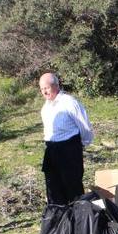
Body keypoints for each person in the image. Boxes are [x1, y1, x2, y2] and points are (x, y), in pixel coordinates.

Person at [38, 72, 93, 205]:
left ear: (56, 86)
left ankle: (78, 219)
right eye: (42, 89)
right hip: (51, 150)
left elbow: (84, 126)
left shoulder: (69, 102)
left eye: (47, 88)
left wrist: (81, 145)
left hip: (69, 149)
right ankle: (60, 221)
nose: (44, 92)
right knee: (53, 189)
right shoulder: (45, 107)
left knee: (73, 187)